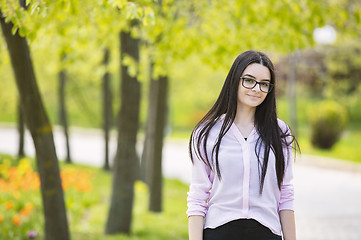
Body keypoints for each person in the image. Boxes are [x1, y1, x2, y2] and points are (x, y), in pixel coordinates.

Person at [186, 50, 298, 240]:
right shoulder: (207, 133)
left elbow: (285, 194)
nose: (256, 88)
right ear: (235, 81)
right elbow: (198, 196)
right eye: (249, 80)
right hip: (219, 232)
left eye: (264, 84)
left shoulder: (279, 132)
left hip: (266, 232)